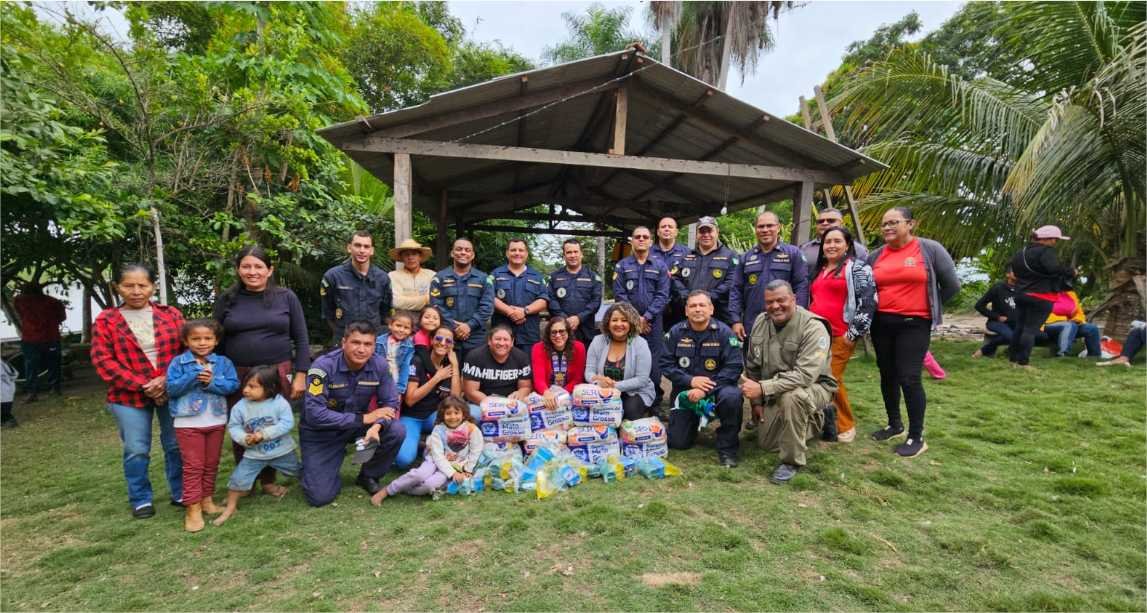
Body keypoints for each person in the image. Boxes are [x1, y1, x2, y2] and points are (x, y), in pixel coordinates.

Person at [91, 263, 185, 519]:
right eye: (128, 285)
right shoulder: (106, 320)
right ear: (117, 288)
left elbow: (186, 352)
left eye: (142, 285)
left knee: (175, 444)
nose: (136, 291)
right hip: (127, 395)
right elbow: (103, 361)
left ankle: (180, 492)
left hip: (170, 388)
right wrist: (144, 385)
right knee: (136, 448)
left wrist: (166, 380)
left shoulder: (171, 314)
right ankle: (141, 498)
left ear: (153, 286)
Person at [214, 245, 309, 496]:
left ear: (269, 270)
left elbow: (301, 337)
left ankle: (268, 480)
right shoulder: (227, 299)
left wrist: (301, 374)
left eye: (258, 266)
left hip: (277, 373)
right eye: (246, 266)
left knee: (271, 423)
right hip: (238, 374)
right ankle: (246, 481)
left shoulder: (286, 297)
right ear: (238, 270)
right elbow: (216, 340)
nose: (252, 271)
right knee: (242, 423)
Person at [866, 207, 960, 457]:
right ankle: (894, 424)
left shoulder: (929, 249)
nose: (887, 228)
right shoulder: (875, 256)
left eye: (893, 222)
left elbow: (951, 285)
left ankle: (916, 436)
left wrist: (929, 305)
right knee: (887, 374)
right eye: (884, 224)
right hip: (882, 323)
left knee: (909, 377)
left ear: (910, 224)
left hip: (914, 323)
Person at [741, 281, 839, 484]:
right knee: (767, 444)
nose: (775, 306)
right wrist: (756, 403)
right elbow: (752, 366)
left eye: (781, 300)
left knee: (792, 397)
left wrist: (762, 388)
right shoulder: (761, 321)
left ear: (793, 299)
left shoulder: (814, 327)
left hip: (814, 387)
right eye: (770, 302)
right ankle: (816, 419)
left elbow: (805, 375)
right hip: (774, 389)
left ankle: (791, 461)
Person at [299, 321, 406, 507]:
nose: (361, 349)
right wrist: (364, 419)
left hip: (355, 426)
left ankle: (368, 476)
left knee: (396, 430)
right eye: (356, 343)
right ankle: (317, 469)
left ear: (374, 346)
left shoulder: (379, 365)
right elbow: (314, 414)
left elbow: (390, 403)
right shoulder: (321, 367)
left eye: (368, 344)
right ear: (343, 343)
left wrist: (377, 425)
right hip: (321, 432)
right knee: (320, 497)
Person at [164, 319, 240, 532]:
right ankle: (192, 507)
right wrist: (194, 376)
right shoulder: (179, 363)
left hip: (216, 420)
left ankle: (207, 500)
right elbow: (172, 388)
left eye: (207, 338)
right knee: (193, 466)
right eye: (196, 339)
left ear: (216, 341)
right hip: (187, 422)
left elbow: (232, 385)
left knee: (211, 463)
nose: (202, 343)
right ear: (186, 341)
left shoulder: (223, 363)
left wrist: (211, 382)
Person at [807, 227, 876, 443]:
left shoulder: (856, 268)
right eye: (828, 242)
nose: (832, 245)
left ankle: (846, 426)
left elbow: (869, 301)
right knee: (821, 377)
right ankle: (826, 420)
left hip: (840, 334)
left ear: (847, 245)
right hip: (817, 336)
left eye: (837, 241)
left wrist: (853, 333)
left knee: (831, 378)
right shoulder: (820, 269)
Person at [661, 290, 744, 467]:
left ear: (711, 309)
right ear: (686, 311)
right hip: (686, 390)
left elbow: (734, 367)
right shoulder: (675, 333)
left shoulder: (725, 333)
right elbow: (665, 364)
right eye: (693, 306)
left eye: (702, 305)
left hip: (719, 389)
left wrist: (705, 389)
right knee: (678, 443)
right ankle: (693, 421)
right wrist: (690, 381)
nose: (697, 309)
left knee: (732, 396)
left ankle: (727, 448)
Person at [213, 366, 302, 526]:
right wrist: (243, 438)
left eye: (252, 386)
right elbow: (234, 426)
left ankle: (311, 490)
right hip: (254, 455)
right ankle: (230, 508)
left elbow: (287, 423)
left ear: (269, 388)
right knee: (237, 480)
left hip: (282, 451)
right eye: (246, 385)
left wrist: (264, 434)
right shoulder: (240, 407)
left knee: (300, 471)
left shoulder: (279, 403)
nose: (246, 390)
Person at [372, 395, 484, 505]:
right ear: (442, 415)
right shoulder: (439, 430)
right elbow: (438, 455)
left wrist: (468, 470)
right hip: (435, 459)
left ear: (463, 414)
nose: (452, 417)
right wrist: (453, 473)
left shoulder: (471, 429)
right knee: (420, 475)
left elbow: (476, 449)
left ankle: (406, 489)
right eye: (448, 413)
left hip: (455, 464)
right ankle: (387, 491)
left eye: (456, 413)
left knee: (430, 485)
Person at [613, 226, 672, 407]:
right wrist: (635, 319)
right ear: (632, 240)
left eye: (645, 237)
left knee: (654, 366)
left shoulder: (660, 266)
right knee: (628, 363)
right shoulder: (622, 266)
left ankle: (654, 405)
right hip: (628, 325)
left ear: (651, 242)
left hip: (653, 325)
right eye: (637, 236)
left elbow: (663, 295)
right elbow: (619, 294)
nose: (641, 239)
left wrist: (645, 317)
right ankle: (627, 402)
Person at [731, 211, 810, 342]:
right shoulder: (745, 258)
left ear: (778, 228)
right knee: (753, 361)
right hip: (753, 324)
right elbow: (736, 290)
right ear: (755, 229)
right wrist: (735, 320)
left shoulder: (793, 254)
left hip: (785, 322)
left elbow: (801, 286)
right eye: (761, 227)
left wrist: (798, 317)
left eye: (770, 226)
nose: (765, 230)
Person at [1008, 225, 1075, 368]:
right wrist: (1070, 272)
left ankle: (1012, 360)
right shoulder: (1046, 251)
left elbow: (1015, 272)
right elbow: (1053, 269)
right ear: (1047, 239)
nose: (1055, 243)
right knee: (1030, 329)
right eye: (1054, 239)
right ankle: (1023, 363)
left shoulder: (1021, 252)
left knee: (1020, 327)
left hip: (1021, 293)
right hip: (1041, 295)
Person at [397, 326, 462, 469]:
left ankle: (426, 442)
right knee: (404, 460)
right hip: (412, 417)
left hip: (434, 417)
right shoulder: (417, 361)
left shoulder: (449, 364)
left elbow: (456, 400)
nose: (443, 343)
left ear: (452, 345)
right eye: (438, 338)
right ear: (432, 340)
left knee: (463, 419)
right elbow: (410, 399)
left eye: (448, 341)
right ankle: (420, 445)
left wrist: (455, 366)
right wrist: (437, 377)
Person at [584, 302, 656, 421]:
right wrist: (598, 383)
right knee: (595, 415)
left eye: (624, 320)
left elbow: (641, 379)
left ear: (631, 323)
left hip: (633, 391)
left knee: (629, 410)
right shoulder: (597, 341)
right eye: (614, 320)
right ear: (608, 322)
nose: (619, 324)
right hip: (603, 391)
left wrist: (614, 386)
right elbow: (589, 372)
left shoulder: (640, 343)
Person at [320, 231, 393, 339]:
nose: (362, 250)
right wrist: (341, 334)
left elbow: (386, 312)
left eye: (366, 246)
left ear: (372, 251)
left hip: (374, 340)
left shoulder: (382, 278)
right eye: (357, 245)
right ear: (349, 248)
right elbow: (327, 312)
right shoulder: (333, 276)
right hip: (343, 339)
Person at [430, 238, 495, 356]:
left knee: (474, 372)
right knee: (448, 372)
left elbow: (487, 306)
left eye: (467, 250)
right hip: (448, 335)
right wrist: (454, 326)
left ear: (473, 255)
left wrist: (469, 325)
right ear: (452, 253)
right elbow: (436, 305)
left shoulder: (483, 279)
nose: (463, 252)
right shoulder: (439, 278)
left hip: (476, 336)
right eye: (459, 249)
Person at [670, 216, 739, 324]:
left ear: (717, 232)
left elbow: (732, 282)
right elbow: (674, 278)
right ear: (697, 235)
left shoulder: (731, 256)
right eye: (702, 231)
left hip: (719, 316)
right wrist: (687, 296)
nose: (706, 235)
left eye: (709, 231)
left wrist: (707, 298)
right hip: (687, 316)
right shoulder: (685, 256)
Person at [490, 238, 549, 353]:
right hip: (501, 335)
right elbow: (489, 296)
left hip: (528, 335)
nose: (517, 253)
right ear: (507, 253)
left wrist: (524, 311)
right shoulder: (496, 274)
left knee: (527, 368)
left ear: (526, 254)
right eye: (513, 250)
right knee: (500, 368)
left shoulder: (537, 276)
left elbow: (544, 300)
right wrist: (509, 311)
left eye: (521, 250)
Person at [461, 325, 532, 419]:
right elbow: (471, 392)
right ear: (489, 341)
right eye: (498, 339)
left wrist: (520, 393)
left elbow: (525, 387)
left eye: (506, 339)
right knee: (474, 415)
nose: (502, 343)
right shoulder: (475, 356)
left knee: (531, 411)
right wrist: (496, 407)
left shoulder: (521, 357)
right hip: (482, 403)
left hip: (511, 403)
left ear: (512, 342)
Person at [13, 281, 66, 402]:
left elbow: (20, 313)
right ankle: (55, 389)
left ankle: (32, 392)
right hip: (51, 337)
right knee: (53, 364)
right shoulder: (53, 302)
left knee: (31, 366)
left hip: (30, 339)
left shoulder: (20, 301)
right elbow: (62, 317)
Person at [547, 239, 603, 344]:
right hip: (561, 332)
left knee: (585, 360)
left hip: (586, 331)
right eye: (569, 252)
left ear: (581, 254)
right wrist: (565, 319)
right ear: (564, 256)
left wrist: (578, 318)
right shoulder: (554, 277)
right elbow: (551, 300)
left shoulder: (593, 277)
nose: (573, 255)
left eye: (575, 252)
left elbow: (596, 302)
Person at [799, 207, 868, 278]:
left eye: (831, 220)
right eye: (820, 221)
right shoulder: (804, 248)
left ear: (842, 224)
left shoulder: (858, 249)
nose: (825, 223)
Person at [531, 316, 586, 402]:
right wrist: (547, 393)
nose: (558, 335)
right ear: (548, 335)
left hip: (569, 394)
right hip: (545, 394)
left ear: (568, 332)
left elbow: (577, 378)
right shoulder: (538, 348)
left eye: (562, 331)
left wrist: (561, 395)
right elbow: (539, 379)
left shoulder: (579, 347)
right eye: (553, 332)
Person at [652, 216, 691, 330]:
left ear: (676, 232)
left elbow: (690, 280)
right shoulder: (648, 253)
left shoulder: (687, 253)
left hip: (679, 307)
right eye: (663, 227)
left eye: (670, 226)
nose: (667, 229)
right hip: (655, 307)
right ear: (658, 232)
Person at [972, 267, 1019, 358]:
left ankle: (1007, 352)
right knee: (1011, 336)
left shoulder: (1022, 289)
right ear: (1008, 274)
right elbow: (979, 306)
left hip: (1015, 322)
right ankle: (983, 351)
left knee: (1033, 335)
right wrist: (997, 317)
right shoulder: (998, 288)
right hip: (996, 322)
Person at [1040, 290, 1101, 358]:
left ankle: (1094, 356)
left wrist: (1077, 320)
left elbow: (1079, 313)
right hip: (1047, 324)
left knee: (1091, 328)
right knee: (1069, 325)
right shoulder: (1044, 291)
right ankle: (1062, 354)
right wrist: (1066, 320)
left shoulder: (1071, 294)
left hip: (1070, 323)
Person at [389, 239, 436, 312]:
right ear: (401, 258)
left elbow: (436, 299)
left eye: (414, 254)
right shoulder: (393, 276)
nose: (410, 258)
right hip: (402, 319)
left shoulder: (431, 275)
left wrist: (406, 300)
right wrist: (426, 299)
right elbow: (396, 302)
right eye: (406, 254)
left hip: (427, 319)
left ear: (420, 257)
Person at [373, 311, 416, 393]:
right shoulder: (378, 341)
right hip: (376, 380)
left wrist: (400, 389)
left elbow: (405, 367)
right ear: (390, 325)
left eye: (406, 328)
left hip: (394, 382)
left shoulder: (409, 347)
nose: (401, 330)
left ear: (411, 330)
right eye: (398, 325)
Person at [1, 359, 16, 428]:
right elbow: (15, 374)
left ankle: (7, 419)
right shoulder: (3, 362)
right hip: (8, 393)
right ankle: (7, 418)